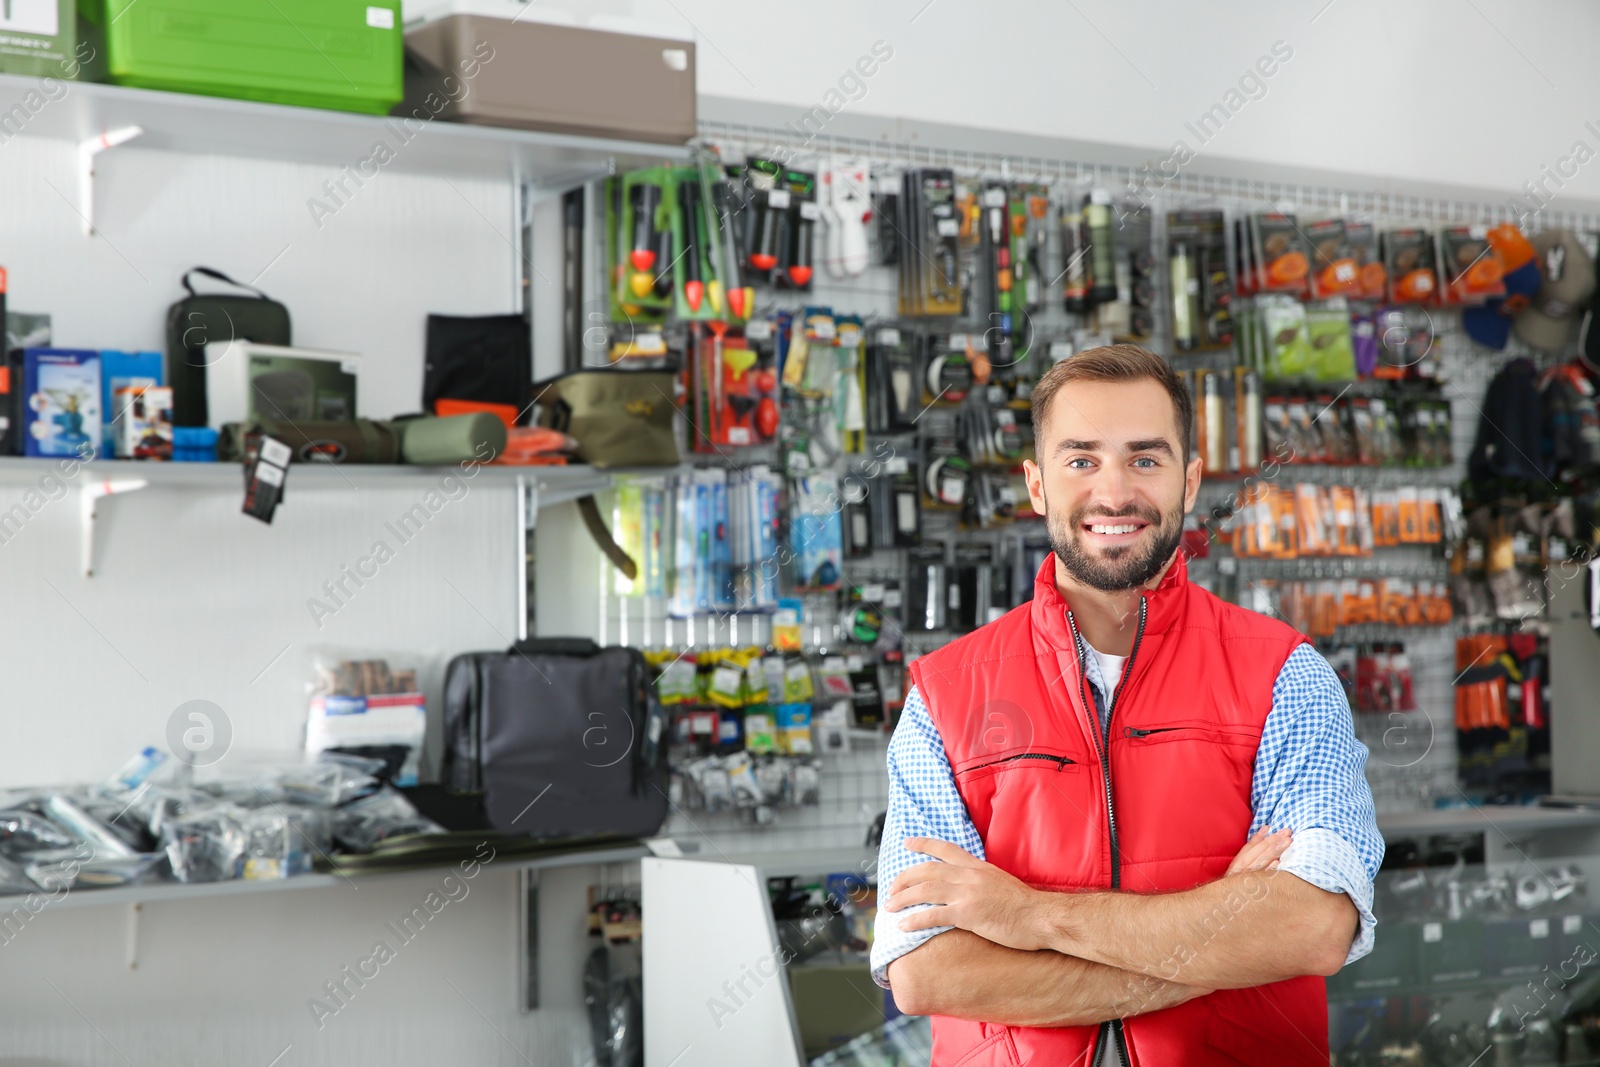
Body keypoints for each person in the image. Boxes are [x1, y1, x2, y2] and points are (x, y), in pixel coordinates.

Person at [871, 345, 1383, 1066]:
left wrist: (1023, 915)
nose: (1114, 494)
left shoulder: (1286, 677)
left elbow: (1313, 927)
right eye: (1081, 460)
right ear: (1037, 484)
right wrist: (1216, 937)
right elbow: (926, 971)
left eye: (1146, 459)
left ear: (1190, 481)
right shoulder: (943, 697)